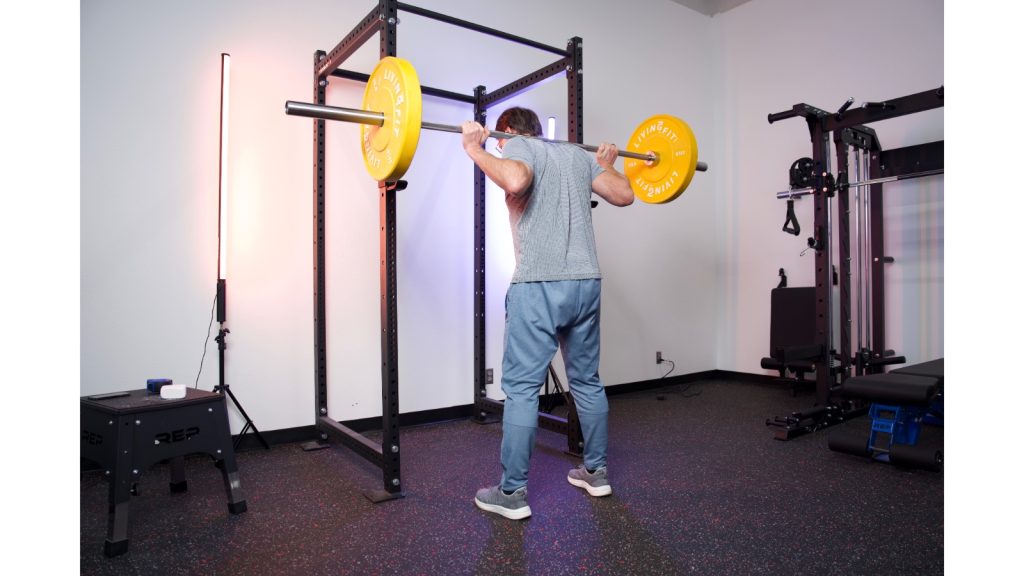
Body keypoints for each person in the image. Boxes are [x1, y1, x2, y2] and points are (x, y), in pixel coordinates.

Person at [461, 107, 634, 520]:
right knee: (587, 381)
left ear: (507, 135)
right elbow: (624, 194)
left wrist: (474, 148)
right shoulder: (576, 155)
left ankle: (512, 493)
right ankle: (596, 472)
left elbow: (517, 178)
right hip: (585, 283)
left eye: (501, 143)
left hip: (539, 284)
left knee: (521, 389)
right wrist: (607, 165)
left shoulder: (516, 147)